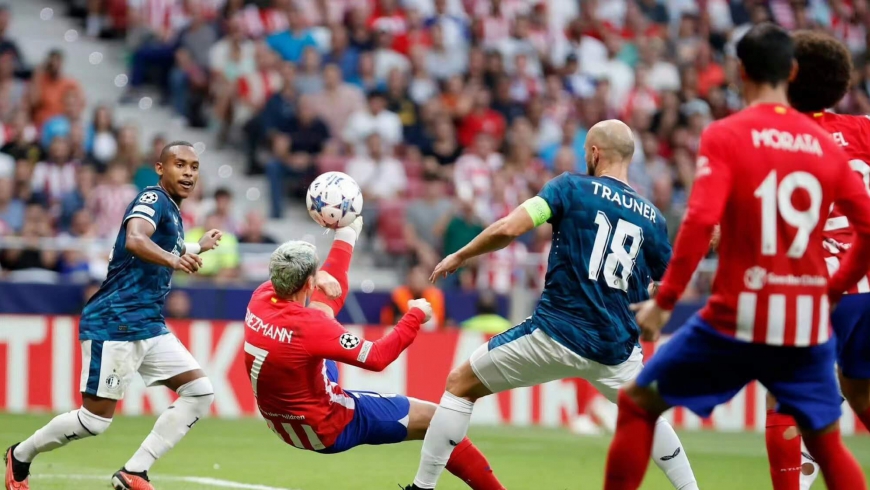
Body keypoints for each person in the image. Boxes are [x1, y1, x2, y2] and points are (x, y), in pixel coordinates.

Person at [602, 23, 870, 490]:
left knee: (639, 403)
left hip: (746, 308)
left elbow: (702, 220)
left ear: (741, 71)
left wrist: (665, 301)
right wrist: (832, 287)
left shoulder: (732, 133)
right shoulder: (828, 143)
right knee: (827, 436)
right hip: (815, 308)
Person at [404, 119, 698, 490]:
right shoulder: (652, 219)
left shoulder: (569, 187)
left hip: (555, 334)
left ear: (594, 153)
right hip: (616, 349)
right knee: (648, 414)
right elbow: (671, 282)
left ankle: (422, 488)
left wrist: (462, 254)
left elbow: (511, 228)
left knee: (460, 384)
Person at [4, 141, 224, 490]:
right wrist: (174, 260)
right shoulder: (151, 200)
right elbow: (137, 239)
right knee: (94, 422)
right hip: (115, 322)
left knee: (199, 392)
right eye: (179, 164)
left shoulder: (173, 213)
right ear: (160, 168)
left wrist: (197, 247)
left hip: (148, 324)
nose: (187, 172)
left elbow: (166, 245)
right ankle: (19, 455)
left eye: (193, 167)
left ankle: (134, 472)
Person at [243, 218, 505, 490]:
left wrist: (327, 259)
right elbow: (377, 357)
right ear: (309, 283)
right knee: (438, 419)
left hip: (280, 419)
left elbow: (309, 300)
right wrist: (414, 316)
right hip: (327, 425)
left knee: (321, 313)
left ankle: (347, 233)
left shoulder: (261, 297)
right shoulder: (311, 328)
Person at [763, 30, 870, 490]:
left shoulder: (772, 139)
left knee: (783, 398)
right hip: (867, 291)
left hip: (813, 290)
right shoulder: (865, 129)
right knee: (860, 390)